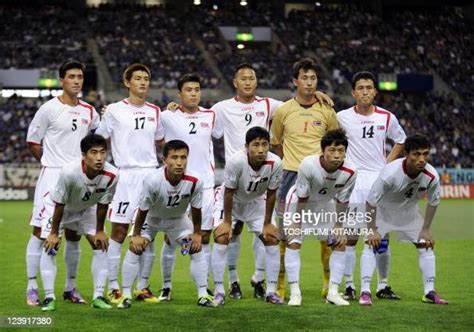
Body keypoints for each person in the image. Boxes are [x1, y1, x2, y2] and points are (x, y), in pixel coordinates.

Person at [26, 59, 100, 306]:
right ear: (62, 80)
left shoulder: (90, 111)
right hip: (53, 175)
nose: (77, 81)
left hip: (80, 178)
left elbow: (101, 135)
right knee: (41, 232)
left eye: (80, 76)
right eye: (71, 77)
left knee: (74, 234)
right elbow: (33, 141)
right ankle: (32, 286)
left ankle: (70, 288)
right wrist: (48, 165)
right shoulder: (48, 109)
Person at [270, 58, 340, 298]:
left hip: (321, 178)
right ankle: (281, 286)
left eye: (313, 78)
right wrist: (291, 163)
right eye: (304, 78)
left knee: (326, 234)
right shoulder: (283, 111)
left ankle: (328, 284)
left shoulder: (327, 110)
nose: (309, 83)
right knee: (285, 234)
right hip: (290, 176)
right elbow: (276, 141)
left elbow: (335, 144)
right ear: (295, 81)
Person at [95, 63, 164, 304]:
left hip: (150, 175)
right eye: (138, 78)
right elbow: (98, 137)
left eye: (146, 78)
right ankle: (114, 286)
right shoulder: (114, 110)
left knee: (148, 233)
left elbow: (161, 141)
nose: (143, 82)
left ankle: (142, 287)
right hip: (125, 177)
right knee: (119, 232)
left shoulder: (156, 111)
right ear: (127, 83)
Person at [118, 140, 215, 308]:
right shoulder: (153, 180)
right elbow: (143, 209)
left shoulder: (195, 181)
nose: (179, 162)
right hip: (151, 220)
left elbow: (196, 208)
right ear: (164, 160)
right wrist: (136, 235)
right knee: (136, 249)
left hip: (177, 223)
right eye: (174, 157)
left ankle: (203, 294)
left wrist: (197, 233)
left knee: (194, 249)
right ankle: (126, 295)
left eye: (183, 157)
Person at [337, 71, 406, 301]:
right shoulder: (342, 117)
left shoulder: (386, 117)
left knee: (381, 238)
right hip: (353, 182)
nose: (365, 91)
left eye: (369, 87)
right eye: (361, 88)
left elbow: (401, 140)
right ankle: (349, 285)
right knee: (351, 236)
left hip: (379, 182)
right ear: (353, 92)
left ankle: (383, 285)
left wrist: (387, 164)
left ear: (375, 91)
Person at [360, 134, 448, 305]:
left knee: (426, 246)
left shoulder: (432, 176)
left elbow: (433, 202)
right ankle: (365, 292)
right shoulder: (390, 173)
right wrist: (371, 230)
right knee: (371, 245)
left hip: (409, 214)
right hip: (382, 213)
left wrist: (425, 230)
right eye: (416, 154)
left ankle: (429, 291)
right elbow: (370, 202)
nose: (422, 159)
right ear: (406, 154)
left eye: (425, 154)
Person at [155, 73, 221, 301]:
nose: (193, 94)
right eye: (188, 90)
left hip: (205, 186)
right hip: (178, 186)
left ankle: (204, 288)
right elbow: (155, 136)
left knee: (202, 237)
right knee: (170, 238)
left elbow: (222, 135)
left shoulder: (211, 116)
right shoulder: (167, 116)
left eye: (196, 90)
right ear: (180, 94)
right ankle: (166, 286)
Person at [40, 134, 118, 311]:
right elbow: (60, 204)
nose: (99, 157)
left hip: (86, 208)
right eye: (93, 152)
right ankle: (49, 297)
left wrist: (99, 230)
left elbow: (103, 204)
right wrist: (53, 233)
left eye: (102, 152)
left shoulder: (113, 174)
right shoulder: (69, 172)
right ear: (83, 155)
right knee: (50, 247)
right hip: (58, 207)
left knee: (101, 245)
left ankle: (98, 296)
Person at [283, 129, 357, 306]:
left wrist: (339, 226)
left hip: (325, 204)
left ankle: (333, 292)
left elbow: (343, 200)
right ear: (322, 151)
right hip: (300, 203)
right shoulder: (308, 165)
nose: (337, 155)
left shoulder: (351, 171)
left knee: (339, 242)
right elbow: (302, 196)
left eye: (341, 151)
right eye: (332, 150)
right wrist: (296, 222)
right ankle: (295, 293)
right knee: (293, 241)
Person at [211, 127, 283, 305]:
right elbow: (228, 192)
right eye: (256, 145)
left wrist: (267, 223)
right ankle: (221, 290)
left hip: (256, 202)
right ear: (246, 146)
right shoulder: (236, 161)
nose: (260, 149)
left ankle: (271, 292)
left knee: (272, 238)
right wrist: (227, 222)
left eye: (265, 145)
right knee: (221, 237)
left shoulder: (276, 163)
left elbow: (272, 193)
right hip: (231, 202)